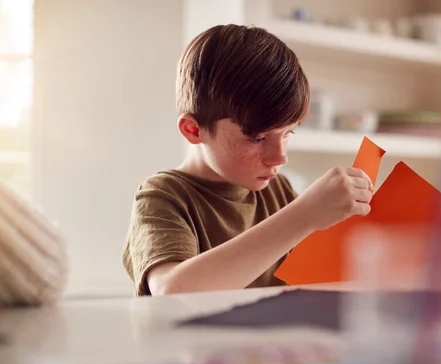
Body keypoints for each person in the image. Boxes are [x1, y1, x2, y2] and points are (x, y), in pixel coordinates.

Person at [122, 24, 373, 296]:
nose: (280, 157)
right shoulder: (163, 197)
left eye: (287, 134)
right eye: (257, 138)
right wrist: (304, 215)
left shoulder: (278, 192)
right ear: (194, 130)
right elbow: (172, 292)